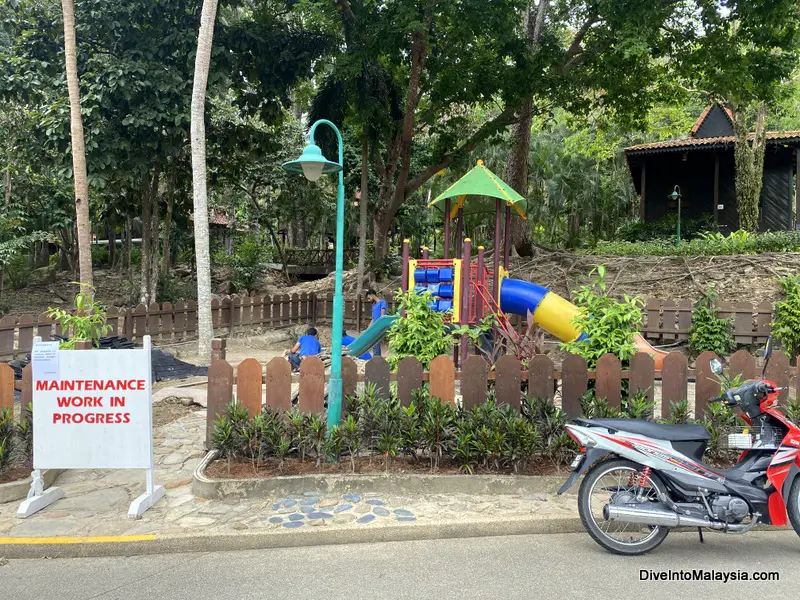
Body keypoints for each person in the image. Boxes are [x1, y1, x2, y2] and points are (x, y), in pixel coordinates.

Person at [366, 289, 387, 357]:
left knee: (376, 341)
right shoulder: (374, 306)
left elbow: (382, 314)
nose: (369, 300)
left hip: (379, 325)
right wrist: (368, 328)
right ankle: (377, 356)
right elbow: (373, 318)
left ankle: (376, 357)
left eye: (369, 298)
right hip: (375, 326)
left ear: (372, 295)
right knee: (374, 342)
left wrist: (380, 325)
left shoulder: (382, 302)